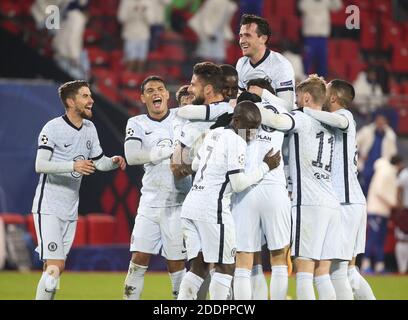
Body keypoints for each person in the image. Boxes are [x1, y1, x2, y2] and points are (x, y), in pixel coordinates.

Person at [32, 80, 126, 300]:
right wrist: (72, 166)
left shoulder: (90, 129)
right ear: (70, 101)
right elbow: (40, 165)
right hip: (49, 207)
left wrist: (112, 161)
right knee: (55, 265)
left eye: (90, 95)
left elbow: (98, 162)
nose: (91, 100)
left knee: (54, 268)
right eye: (85, 96)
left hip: (70, 209)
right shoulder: (52, 128)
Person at [177, 101, 281, 300]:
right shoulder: (236, 141)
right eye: (248, 127)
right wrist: (266, 167)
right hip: (212, 209)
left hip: (191, 206)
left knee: (198, 266)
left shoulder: (213, 133)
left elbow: (197, 164)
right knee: (226, 266)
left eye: (255, 129)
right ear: (236, 120)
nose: (251, 133)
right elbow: (239, 183)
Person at [260, 75, 343, 300]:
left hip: (309, 203)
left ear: (306, 97)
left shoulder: (301, 117)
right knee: (322, 274)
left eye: (297, 98)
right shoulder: (330, 122)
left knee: (304, 273)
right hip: (331, 203)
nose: (295, 102)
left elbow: (277, 122)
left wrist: (252, 105)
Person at [302, 79, 376, 299]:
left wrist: (305, 110)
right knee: (349, 271)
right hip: (351, 200)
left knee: (337, 271)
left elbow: (341, 122)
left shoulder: (345, 116)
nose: (322, 94)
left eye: (325, 91)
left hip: (345, 201)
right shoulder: (334, 122)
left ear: (333, 97)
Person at [123, 76, 190, 300]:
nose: (156, 93)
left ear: (167, 95)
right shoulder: (137, 122)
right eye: (150, 90)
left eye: (160, 89)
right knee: (138, 260)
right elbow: (131, 156)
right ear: (143, 98)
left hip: (178, 202)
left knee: (176, 264)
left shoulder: (182, 119)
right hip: (149, 203)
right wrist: (162, 154)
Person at [233, 80, 291, 300]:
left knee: (243, 262)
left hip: (246, 189)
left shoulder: (238, 112)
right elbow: (291, 111)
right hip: (275, 188)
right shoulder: (281, 111)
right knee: (278, 260)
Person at [171, 62, 232, 180]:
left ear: (208, 89)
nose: (188, 89)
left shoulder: (236, 112)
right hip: (204, 193)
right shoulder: (237, 110)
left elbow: (177, 168)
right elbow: (176, 168)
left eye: (193, 85)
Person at [236, 14, 296, 111]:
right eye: (241, 36)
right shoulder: (241, 63)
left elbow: (288, 107)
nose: (242, 41)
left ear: (263, 39)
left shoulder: (281, 65)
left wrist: (262, 93)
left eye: (247, 35)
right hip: (249, 118)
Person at [362, 155, 403, 274]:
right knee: (373, 239)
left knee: (380, 240)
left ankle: (379, 266)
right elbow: (380, 190)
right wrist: (393, 202)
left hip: (383, 210)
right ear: (398, 164)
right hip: (376, 210)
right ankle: (365, 266)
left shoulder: (387, 171)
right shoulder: (386, 172)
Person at [298, 0, 343, 78]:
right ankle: (304, 82)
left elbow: (338, 6)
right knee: (307, 62)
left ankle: (322, 83)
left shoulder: (327, 1)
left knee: (322, 63)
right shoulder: (306, 2)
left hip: (323, 38)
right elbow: (301, 7)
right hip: (310, 37)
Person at [356, 113, 397, 196]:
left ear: (386, 122)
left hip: (380, 165)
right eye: (379, 120)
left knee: (376, 186)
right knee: (362, 185)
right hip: (367, 163)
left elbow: (393, 152)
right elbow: (355, 142)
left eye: (383, 121)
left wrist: (388, 163)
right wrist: (360, 154)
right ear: (376, 120)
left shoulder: (390, 135)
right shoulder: (367, 130)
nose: (380, 123)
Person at [118, 0, 154, 72]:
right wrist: (132, 11)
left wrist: (143, 11)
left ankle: (139, 80)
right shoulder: (126, 2)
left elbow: (152, 21)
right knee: (130, 59)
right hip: (130, 35)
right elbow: (121, 18)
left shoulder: (148, 2)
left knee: (141, 60)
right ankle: (128, 81)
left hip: (143, 35)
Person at [395, 165, 408, 274]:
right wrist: (400, 207)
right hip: (406, 209)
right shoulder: (405, 173)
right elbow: (398, 190)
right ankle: (402, 269)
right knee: (402, 239)